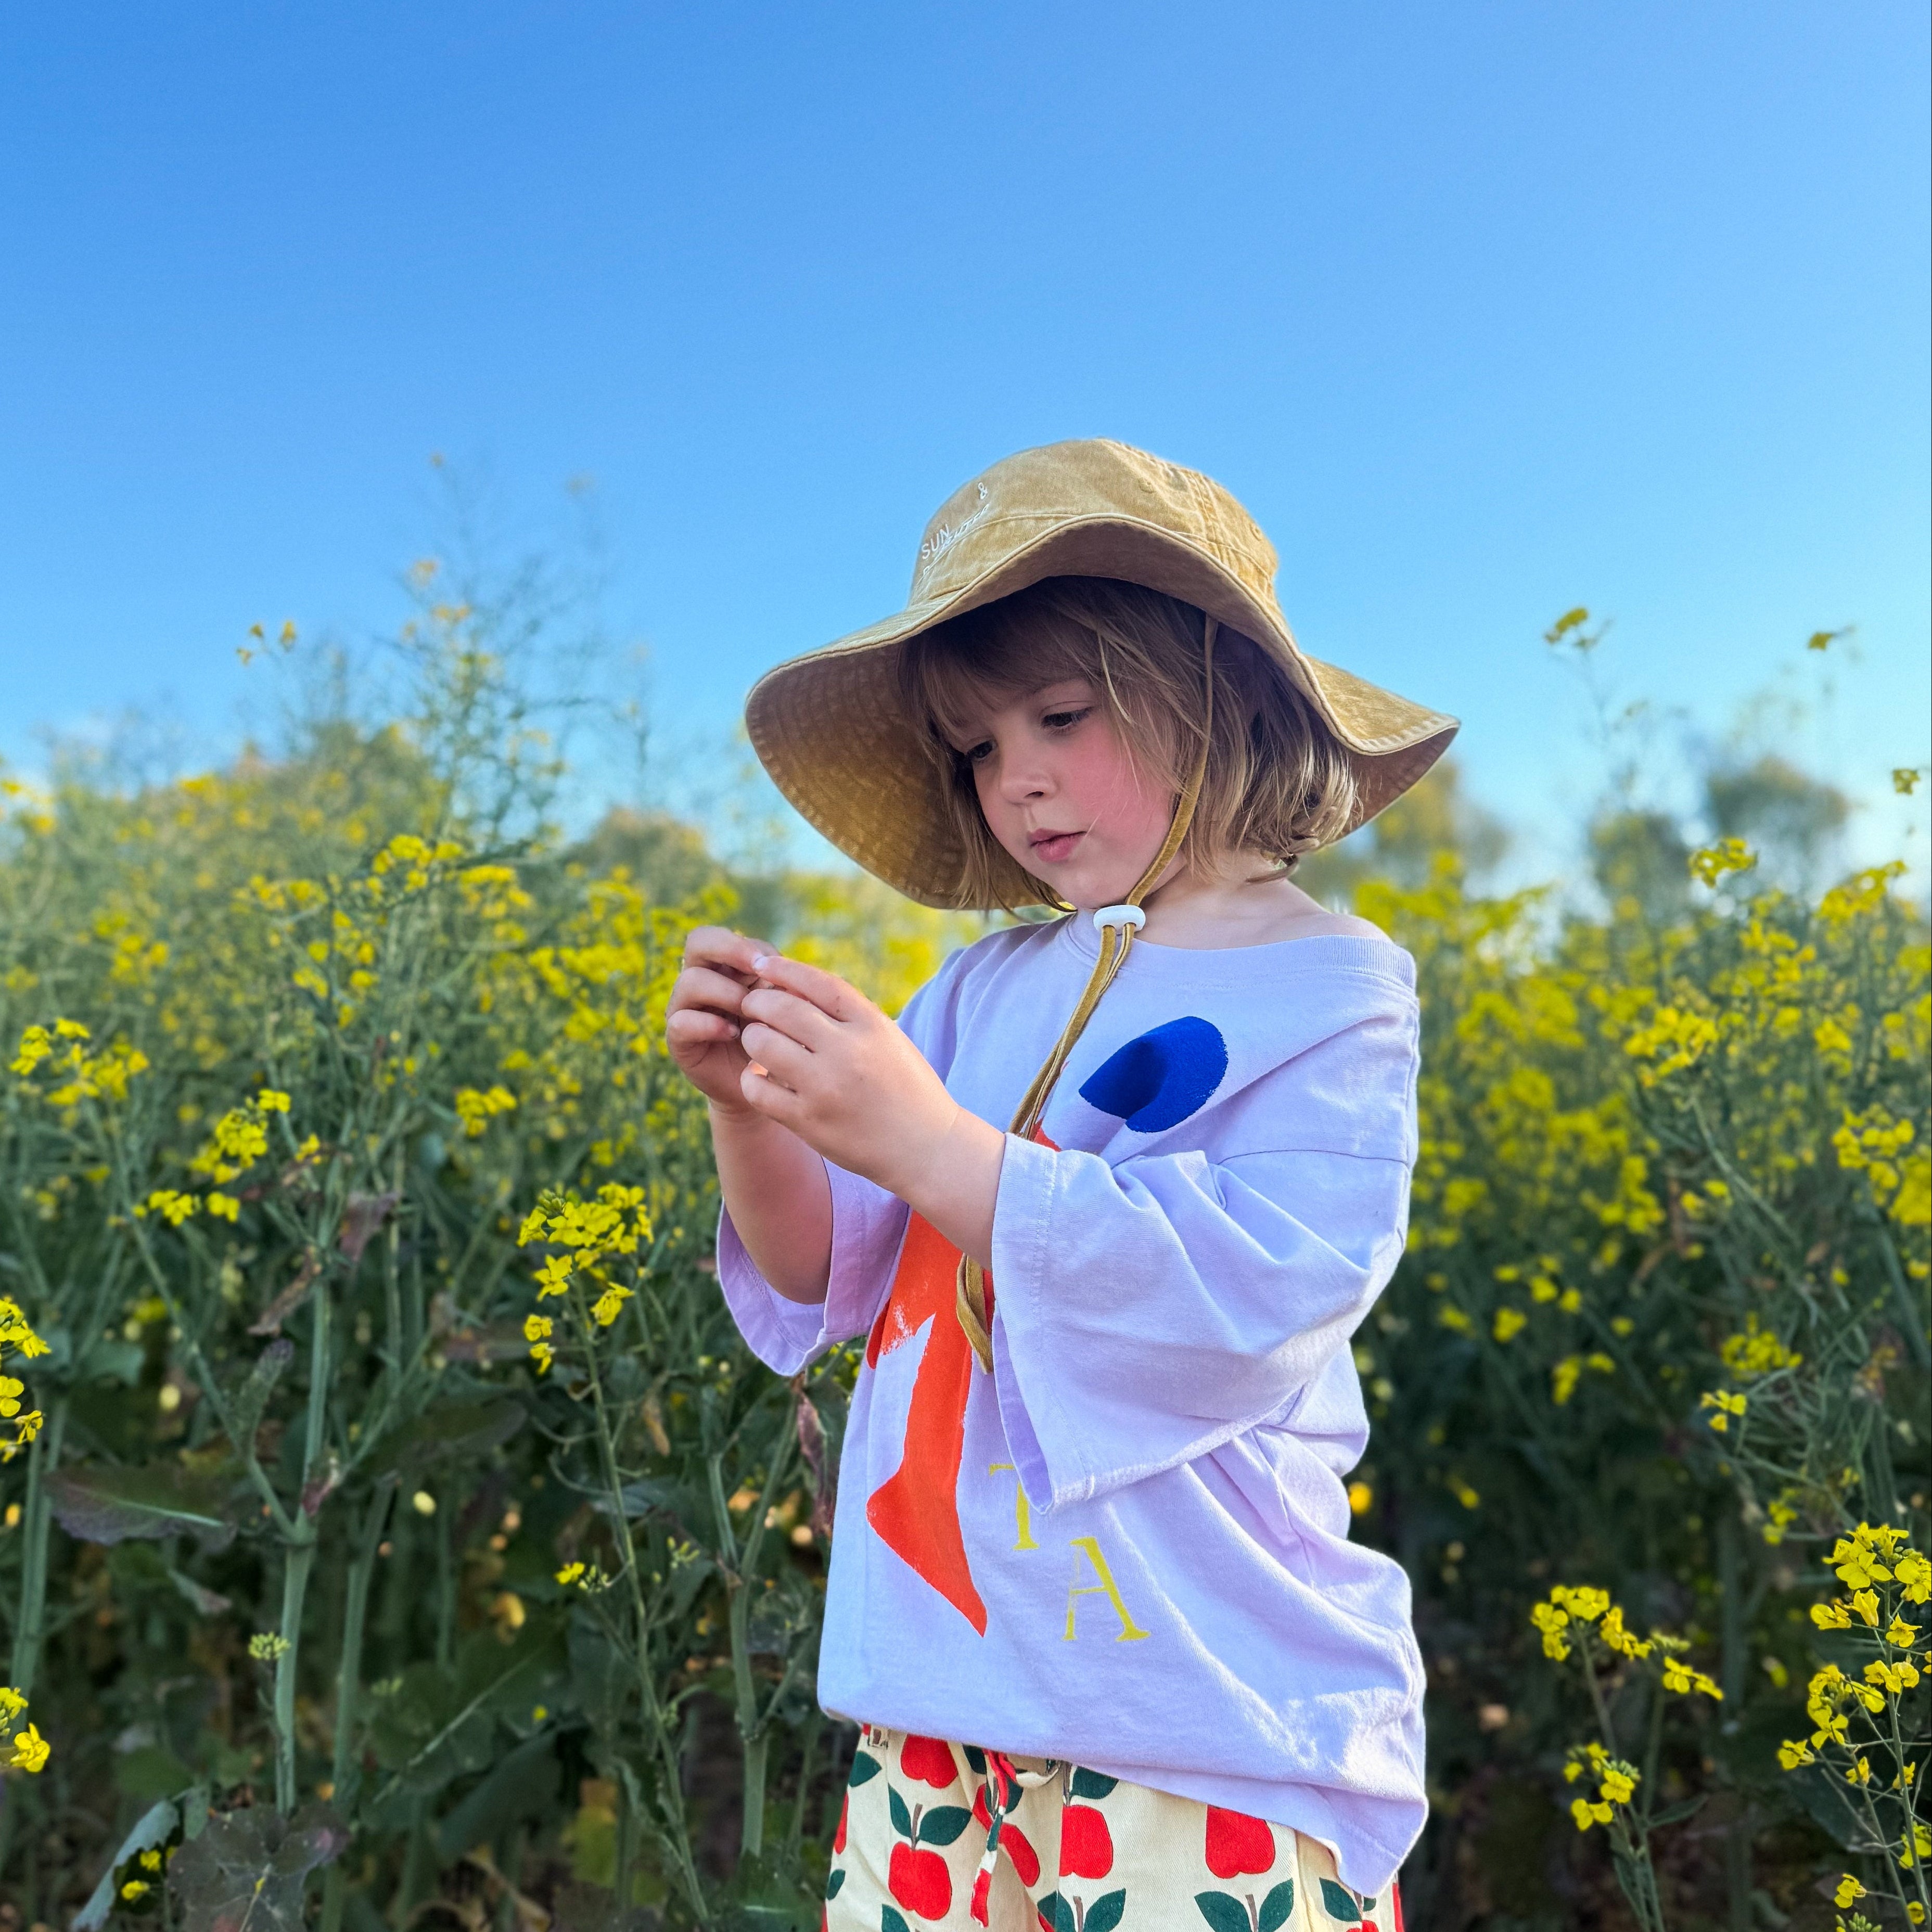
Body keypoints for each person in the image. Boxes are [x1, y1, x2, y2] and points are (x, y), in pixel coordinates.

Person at [666, 440, 1454, 1930]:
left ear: (1215, 693)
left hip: (1202, 1707)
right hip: (942, 1694)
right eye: (975, 747)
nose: (1013, 777)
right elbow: (818, 1275)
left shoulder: (1333, 987)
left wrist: (925, 1140)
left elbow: (1251, 1298)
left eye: (1060, 715)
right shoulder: (982, 985)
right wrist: (750, 1109)